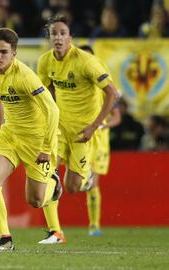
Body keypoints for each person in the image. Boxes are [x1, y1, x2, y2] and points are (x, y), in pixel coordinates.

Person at [0, 28, 61, 251]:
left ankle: (53, 184)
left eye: (3, 52)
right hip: (9, 134)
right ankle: (5, 239)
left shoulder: (25, 77)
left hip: (36, 140)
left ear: (14, 54)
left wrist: (47, 146)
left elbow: (52, 110)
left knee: (35, 201)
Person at [37, 15, 118, 242]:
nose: (59, 38)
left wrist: (94, 126)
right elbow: (40, 94)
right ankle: (56, 232)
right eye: (55, 34)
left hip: (83, 133)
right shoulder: (45, 62)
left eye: (63, 33)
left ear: (70, 37)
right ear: (50, 37)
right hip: (59, 128)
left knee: (72, 187)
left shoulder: (86, 61)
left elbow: (113, 93)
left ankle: (87, 177)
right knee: (48, 174)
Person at [79, 45, 122, 236]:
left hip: (99, 139)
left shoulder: (105, 85)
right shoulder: (74, 85)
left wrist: (104, 125)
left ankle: (94, 225)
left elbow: (117, 116)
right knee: (80, 180)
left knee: (93, 182)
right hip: (78, 134)